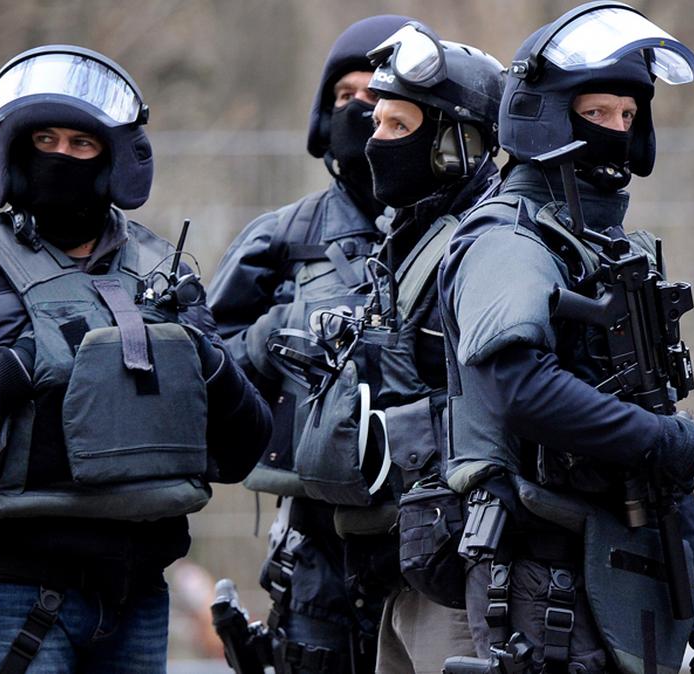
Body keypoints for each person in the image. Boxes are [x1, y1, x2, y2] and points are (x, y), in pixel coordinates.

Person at [0, 45, 271, 673]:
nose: (60, 156)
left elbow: (244, 449)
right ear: (12, 152)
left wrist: (202, 357)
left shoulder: (163, 279)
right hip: (9, 592)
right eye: (44, 140)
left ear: (115, 161)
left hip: (137, 597)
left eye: (81, 144)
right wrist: (22, 364)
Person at [438, 4, 694, 673]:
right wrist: (658, 439)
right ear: (544, 115)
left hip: (620, 560)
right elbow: (518, 387)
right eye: (597, 113)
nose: (617, 131)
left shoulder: (605, 247)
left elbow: (654, 415)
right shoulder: (509, 238)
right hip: (540, 574)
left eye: (627, 115)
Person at [297, 23, 504, 673]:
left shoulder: (489, 248)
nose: (373, 139)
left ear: (454, 144)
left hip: (463, 574)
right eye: (375, 121)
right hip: (403, 563)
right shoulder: (409, 240)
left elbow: (507, 406)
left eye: (396, 125)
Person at [207, 15, 410, 674]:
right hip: (318, 543)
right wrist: (275, 335)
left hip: (439, 541)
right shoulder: (283, 236)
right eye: (345, 95)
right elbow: (205, 368)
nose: (361, 111)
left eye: (378, 96)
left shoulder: (467, 232)